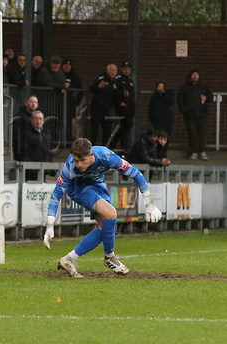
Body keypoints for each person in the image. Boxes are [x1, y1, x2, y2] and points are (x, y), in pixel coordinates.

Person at [44, 138, 163, 278]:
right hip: (78, 188)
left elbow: (136, 174)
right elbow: (56, 194)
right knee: (111, 214)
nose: (79, 164)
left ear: (91, 155)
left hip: (97, 185)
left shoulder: (107, 156)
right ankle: (110, 257)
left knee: (105, 229)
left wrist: (150, 203)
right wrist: (50, 225)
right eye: (76, 160)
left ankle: (69, 259)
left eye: (82, 160)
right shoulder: (70, 165)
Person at [176, 69, 212, 161]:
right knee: (192, 133)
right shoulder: (185, 87)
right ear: (190, 76)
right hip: (190, 115)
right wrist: (184, 110)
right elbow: (180, 99)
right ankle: (194, 151)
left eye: (196, 74)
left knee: (202, 133)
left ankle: (202, 151)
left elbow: (210, 96)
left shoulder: (204, 86)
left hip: (202, 114)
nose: (195, 76)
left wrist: (206, 98)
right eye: (193, 74)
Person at [109, 61, 136, 151]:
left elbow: (132, 95)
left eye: (128, 69)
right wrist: (121, 101)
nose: (127, 71)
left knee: (125, 127)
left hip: (130, 107)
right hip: (122, 107)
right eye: (125, 69)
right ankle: (124, 147)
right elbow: (116, 93)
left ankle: (116, 145)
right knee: (126, 124)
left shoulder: (130, 81)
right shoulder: (119, 80)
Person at [20, 110, 54, 181]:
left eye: (40, 119)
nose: (38, 121)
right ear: (31, 120)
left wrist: (50, 166)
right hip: (31, 169)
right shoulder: (26, 133)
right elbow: (24, 151)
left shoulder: (46, 133)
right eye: (36, 118)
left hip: (44, 167)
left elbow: (49, 149)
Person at [88, 63, 118, 146]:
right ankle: (92, 148)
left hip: (107, 110)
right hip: (97, 108)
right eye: (111, 70)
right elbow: (91, 89)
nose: (112, 72)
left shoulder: (116, 82)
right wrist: (99, 87)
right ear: (107, 71)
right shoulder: (102, 79)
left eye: (114, 70)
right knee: (94, 130)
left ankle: (105, 148)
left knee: (107, 130)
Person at [12, 95, 39, 161]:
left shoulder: (39, 117)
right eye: (31, 102)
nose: (33, 104)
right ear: (26, 103)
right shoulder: (19, 117)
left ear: (37, 105)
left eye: (35, 102)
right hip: (23, 151)